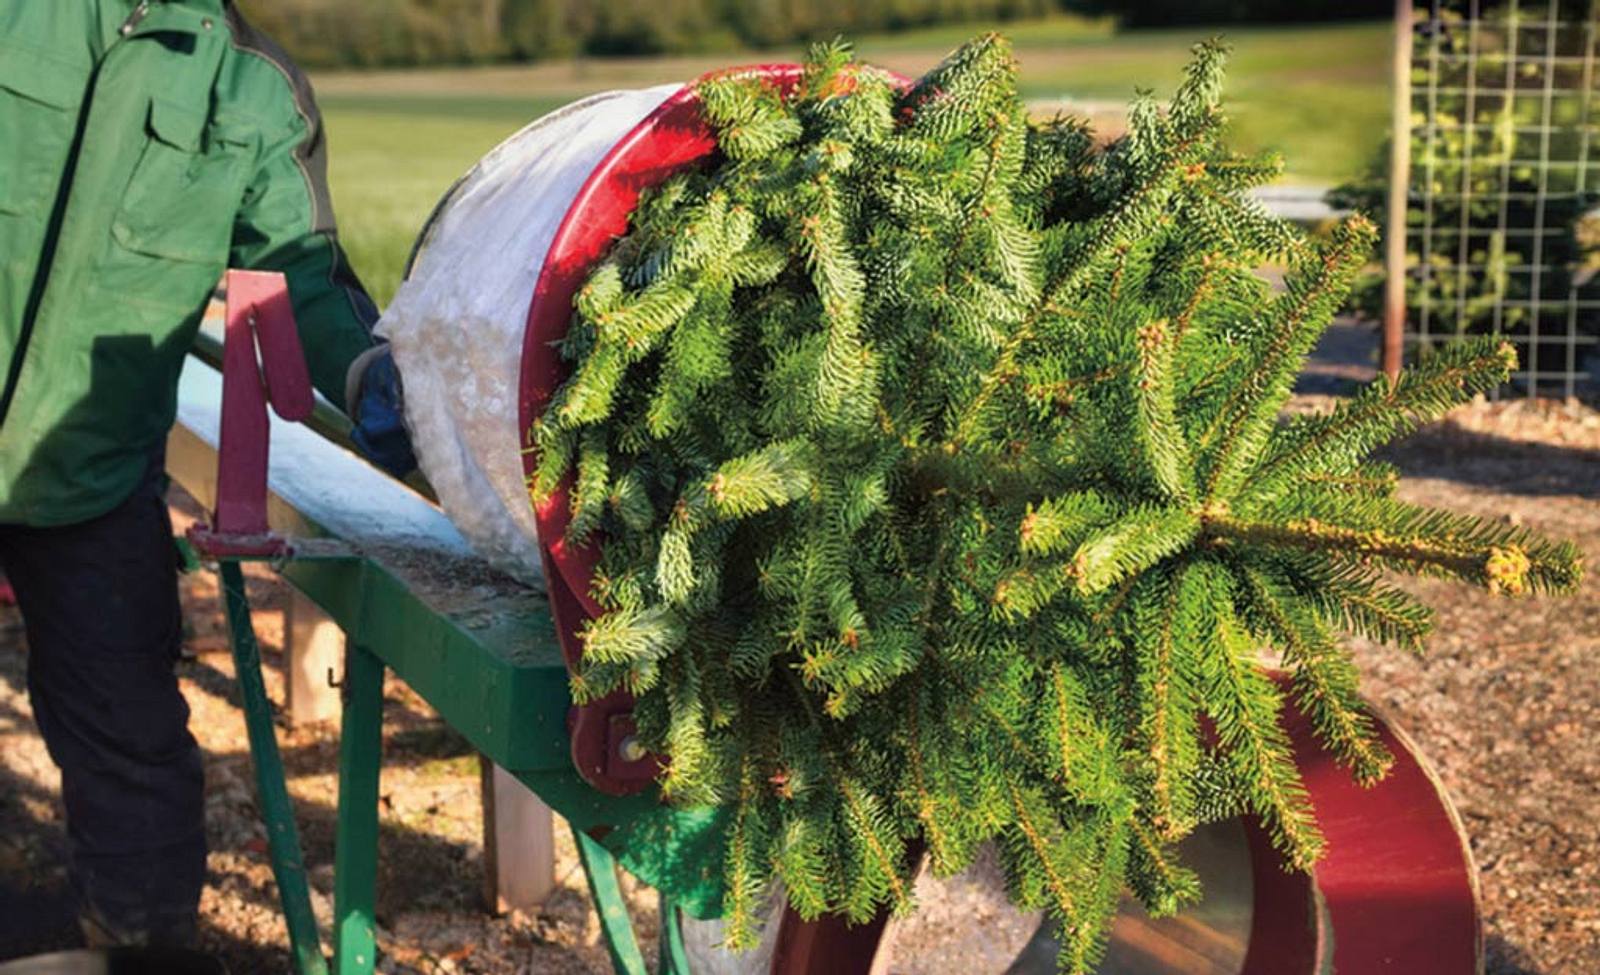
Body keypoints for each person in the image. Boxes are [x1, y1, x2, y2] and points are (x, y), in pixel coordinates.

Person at [0, 0, 414, 948]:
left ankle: (135, 942)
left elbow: (303, 272)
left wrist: (379, 379)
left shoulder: (256, 92)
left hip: (90, 474)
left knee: (130, 743)